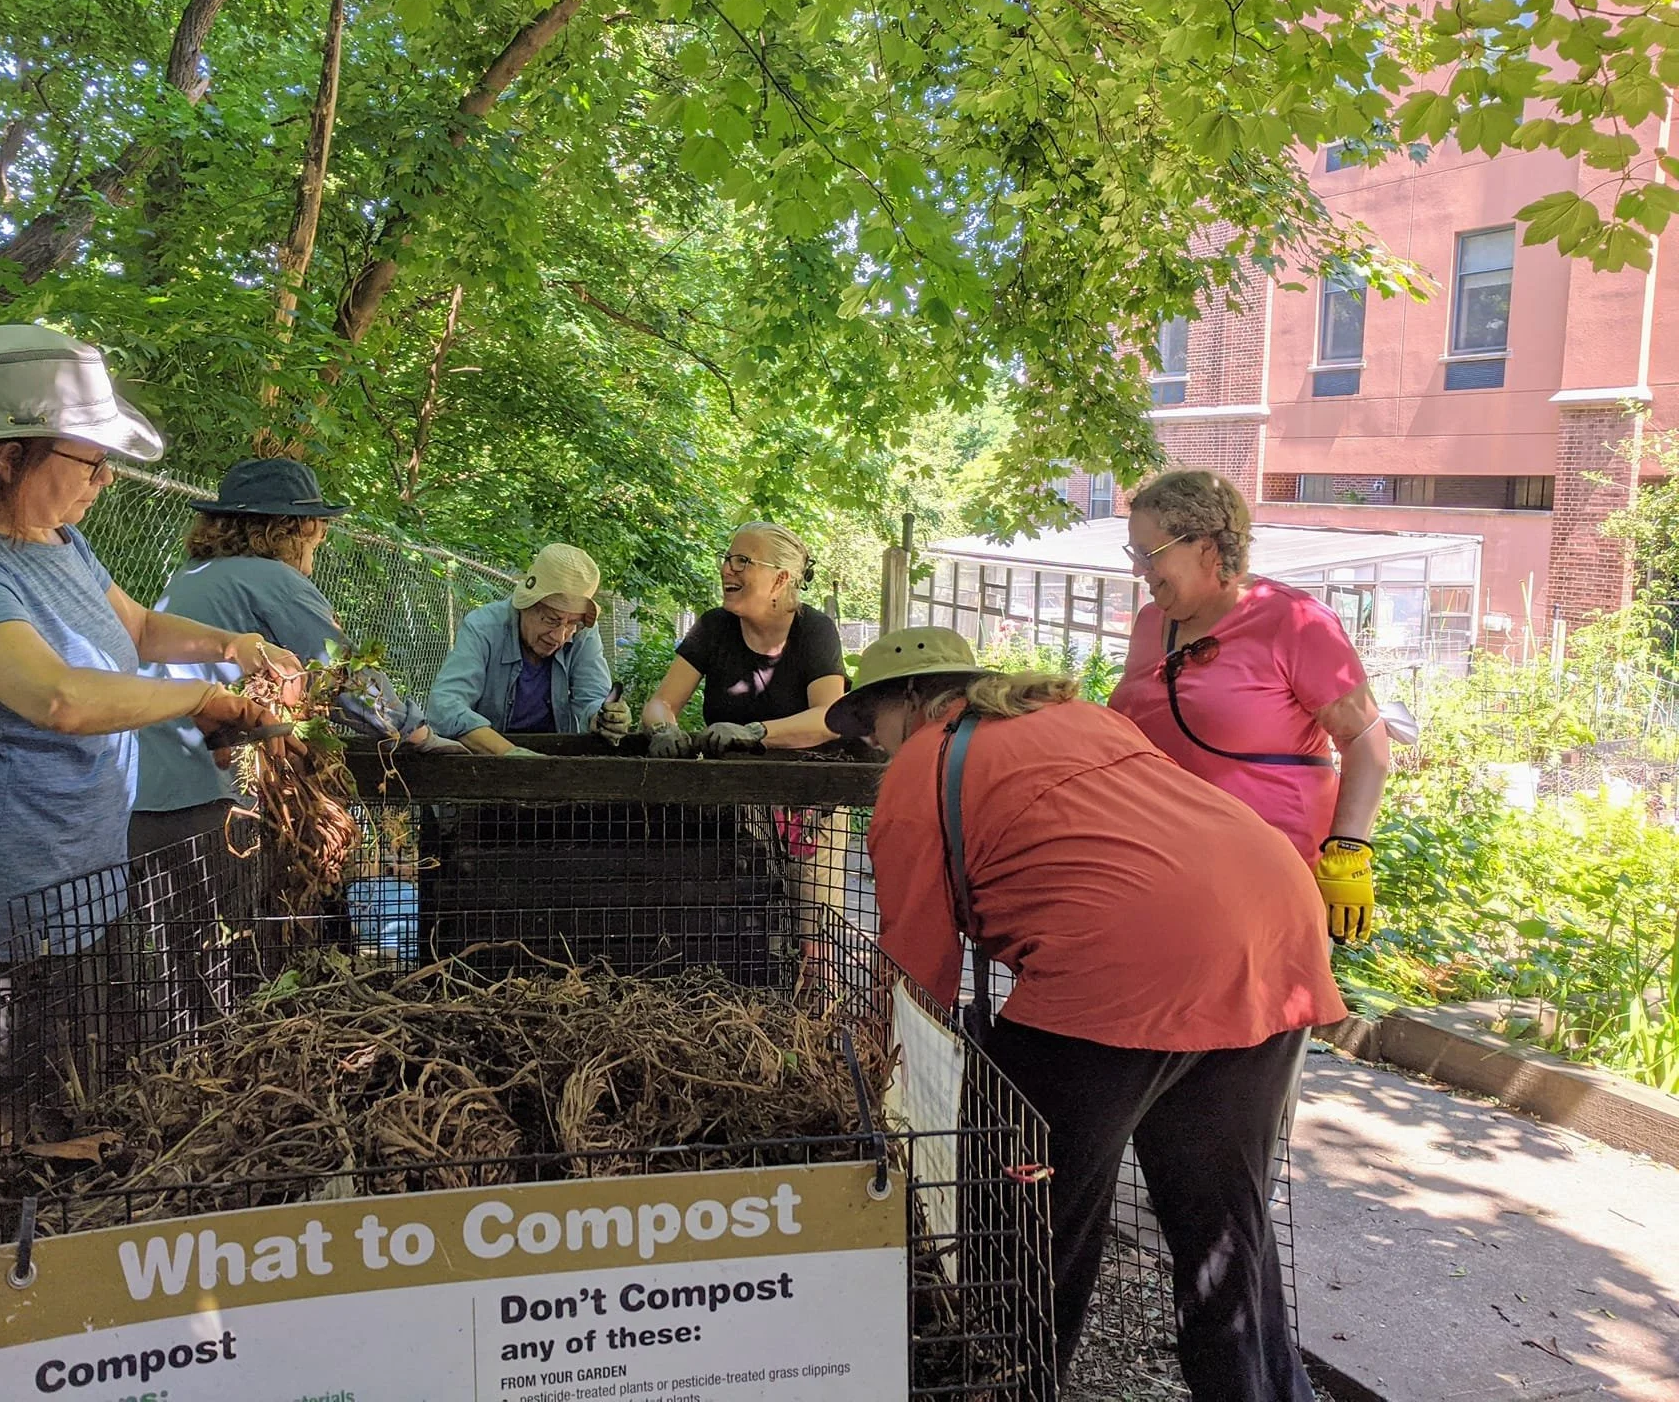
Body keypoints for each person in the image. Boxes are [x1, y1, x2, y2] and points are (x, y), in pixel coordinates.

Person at [828, 628, 1345, 1402]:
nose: (872, 744)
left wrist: (871, 1079)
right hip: (1273, 921)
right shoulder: (1075, 716)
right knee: (1222, 1218)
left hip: (1129, 956)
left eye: (871, 723)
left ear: (910, 701)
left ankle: (1006, 1387)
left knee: (1021, 1211)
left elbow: (914, 970)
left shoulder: (920, 763)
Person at [0, 324, 297, 1159]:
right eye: (89, 461)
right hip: (7, 878)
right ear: (9, 458)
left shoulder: (60, 541)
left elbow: (139, 629)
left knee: (86, 1071)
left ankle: (77, 1190)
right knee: (11, 1101)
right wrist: (200, 698)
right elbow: (57, 697)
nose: (105, 480)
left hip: (87, 863)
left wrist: (233, 645)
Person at [1107, 469, 1391, 942]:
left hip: (1270, 879)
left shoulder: (1294, 621)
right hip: (1166, 868)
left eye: (1148, 554)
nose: (1138, 570)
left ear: (1206, 548)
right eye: (1133, 554)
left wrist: (1349, 849)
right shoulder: (1150, 622)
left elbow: (1365, 736)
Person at [131, 456, 457, 860]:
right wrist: (417, 733)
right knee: (234, 901)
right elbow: (342, 676)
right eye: (319, 527)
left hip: (145, 796)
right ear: (296, 528)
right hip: (216, 800)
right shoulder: (274, 579)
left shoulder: (190, 575)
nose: (321, 538)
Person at [641, 522, 846, 756]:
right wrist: (663, 729)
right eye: (727, 559)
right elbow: (662, 702)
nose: (726, 570)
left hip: (803, 775)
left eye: (742, 561)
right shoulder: (714, 626)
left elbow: (829, 718)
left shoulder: (815, 630)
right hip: (722, 776)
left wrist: (755, 733)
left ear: (780, 579)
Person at [426, 543, 627, 755]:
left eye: (571, 624)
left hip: (558, 757)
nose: (559, 637)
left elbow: (593, 698)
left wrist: (604, 719)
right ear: (526, 604)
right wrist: (512, 755)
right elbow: (445, 706)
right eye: (551, 620)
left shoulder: (583, 633)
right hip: (485, 759)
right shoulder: (482, 627)